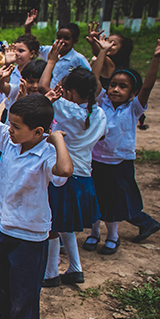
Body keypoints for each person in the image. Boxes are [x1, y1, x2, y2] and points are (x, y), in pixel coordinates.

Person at [0, 66, 73, 319]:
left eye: (17, 126)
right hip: (6, 227)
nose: (10, 128)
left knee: (25, 289)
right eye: (11, 124)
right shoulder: (9, 140)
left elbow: (65, 171)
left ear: (38, 132)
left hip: (31, 235)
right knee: (2, 284)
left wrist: (57, 140)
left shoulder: (45, 154)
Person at [86, 36, 160, 252]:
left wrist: (155, 59)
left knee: (113, 202)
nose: (115, 89)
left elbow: (148, 87)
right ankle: (94, 233)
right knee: (95, 198)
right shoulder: (101, 102)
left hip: (120, 163)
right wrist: (102, 52)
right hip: (96, 160)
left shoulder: (134, 108)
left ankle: (113, 236)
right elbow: (93, 78)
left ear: (133, 93)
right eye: (113, 85)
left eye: (122, 87)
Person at [39, 53, 107, 288]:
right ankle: (75, 268)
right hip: (84, 177)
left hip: (62, 176)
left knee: (52, 227)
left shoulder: (66, 110)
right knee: (65, 224)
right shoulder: (99, 114)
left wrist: (49, 62)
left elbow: (42, 87)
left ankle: (50, 274)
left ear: (70, 92)